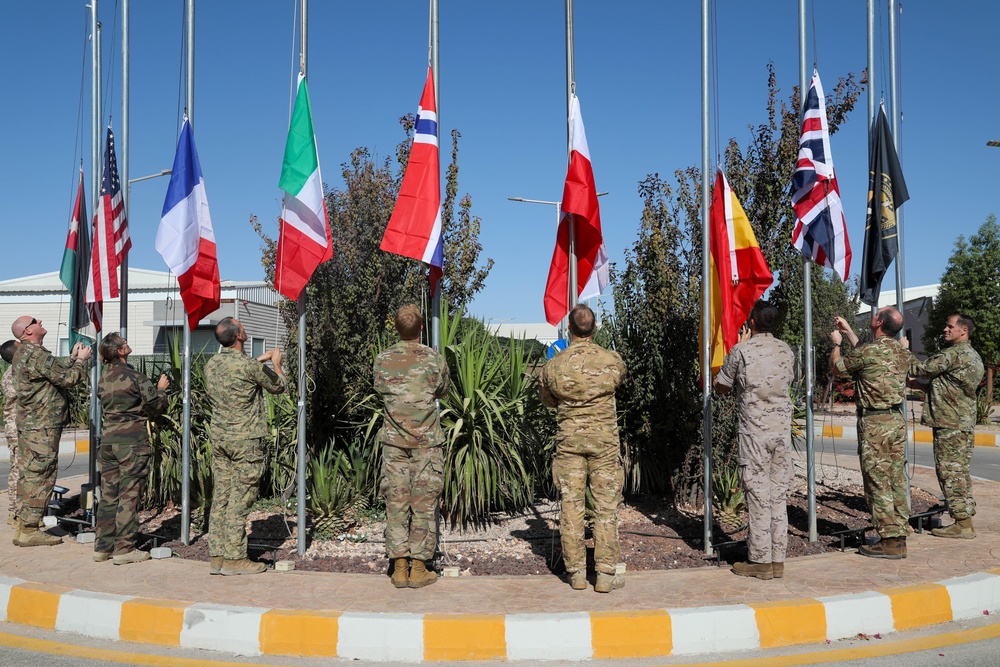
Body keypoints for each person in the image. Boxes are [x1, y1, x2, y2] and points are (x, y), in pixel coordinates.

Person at [540, 304, 627, 593]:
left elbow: (548, 401)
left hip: (570, 444)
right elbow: (618, 382)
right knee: (605, 509)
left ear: (570, 329)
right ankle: (604, 575)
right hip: (604, 444)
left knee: (571, 507)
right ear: (594, 327)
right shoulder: (611, 361)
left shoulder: (554, 365)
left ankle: (576, 574)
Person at [714, 300, 795, 580]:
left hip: (755, 434)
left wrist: (738, 347)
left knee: (759, 494)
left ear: (751, 323)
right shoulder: (786, 350)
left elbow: (722, 386)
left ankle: (760, 560)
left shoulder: (742, 351)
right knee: (778, 494)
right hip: (781, 433)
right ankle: (777, 559)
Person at [374, 304, 450, 589]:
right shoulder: (433, 359)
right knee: (424, 503)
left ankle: (399, 568)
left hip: (394, 444)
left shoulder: (382, 360)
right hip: (426, 444)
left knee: (396, 503)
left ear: (396, 328)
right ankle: (419, 568)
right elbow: (443, 389)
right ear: (421, 328)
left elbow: (380, 388)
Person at [204, 317, 286, 575]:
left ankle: (217, 555)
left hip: (220, 440)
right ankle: (235, 558)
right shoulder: (249, 367)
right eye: (242, 326)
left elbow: (239, 371)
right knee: (239, 500)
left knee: (222, 497)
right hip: (245, 443)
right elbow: (278, 386)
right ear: (238, 336)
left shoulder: (212, 364)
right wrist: (276, 364)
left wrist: (258, 362)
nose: (245, 328)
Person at [829, 307, 912, 559]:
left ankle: (889, 541)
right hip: (896, 420)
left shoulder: (867, 351)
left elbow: (838, 367)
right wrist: (851, 332)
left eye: (877, 314)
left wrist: (836, 344)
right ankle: (898, 534)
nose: (873, 315)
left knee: (877, 480)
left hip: (875, 423)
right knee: (896, 477)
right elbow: (870, 358)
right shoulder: (901, 350)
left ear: (879, 323)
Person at [10, 316, 91, 547]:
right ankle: (29, 529)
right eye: (35, 321)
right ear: (27, 331)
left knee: (30, 474)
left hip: (33, 425)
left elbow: (52, 370)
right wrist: (81, 361)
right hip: (42, 426)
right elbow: (69, 379)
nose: (41, 321)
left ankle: (24, 524)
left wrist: (72, 358)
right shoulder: (35, 354)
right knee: (41, 475)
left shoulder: (30, 353)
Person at [94, 333, 170, 565]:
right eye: (123, 342)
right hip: (132, 442)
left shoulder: (103, 379)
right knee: (129, 495)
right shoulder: (136, 377)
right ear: (119, 351)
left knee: (108, 495)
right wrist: (161, 389)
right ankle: (124, 549)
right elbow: (156, 406)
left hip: (107, 442)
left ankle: (103, 547)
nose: (127, 344)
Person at [909, 313, 984, 539]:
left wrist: (904, 351)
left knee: (950, 473)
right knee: (959, 472)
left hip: (949, 423)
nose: (945, 329)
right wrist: (922, 387)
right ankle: (965, 519)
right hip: (959, 423)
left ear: (964, 331)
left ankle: (963, 524)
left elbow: (919, 369)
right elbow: (949, 387)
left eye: (950, 326)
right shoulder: (971, 355)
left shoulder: (954, 354)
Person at [2, 340, 21, 527]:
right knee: (18, 469)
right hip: (16, 426)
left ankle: (16, 511)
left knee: (18, 468)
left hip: (15, 426)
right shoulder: (13, 373)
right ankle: (15, 513)